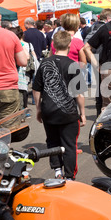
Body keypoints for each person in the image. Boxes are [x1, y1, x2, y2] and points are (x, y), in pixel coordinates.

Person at [32, 30, 87, 180]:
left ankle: (57, 170)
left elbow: (36, 89)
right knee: (70, 145)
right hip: (68, 113)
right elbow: (79, 94)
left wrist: (38, 108)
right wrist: (82, 113)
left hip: (48, 110)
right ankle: (69, 176)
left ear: (53, 45)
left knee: (52, 142)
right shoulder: (72, 65)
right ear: (69, 44)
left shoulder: (44, 63)